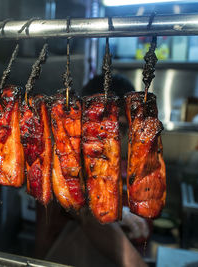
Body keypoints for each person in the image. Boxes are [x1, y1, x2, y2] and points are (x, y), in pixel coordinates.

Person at [35, 74, 150, 267]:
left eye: (122, 128)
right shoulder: (65, 160)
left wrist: (122, 214)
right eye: (99, 127)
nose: (114, 137)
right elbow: (90, 220)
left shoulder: (109, 162)